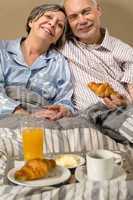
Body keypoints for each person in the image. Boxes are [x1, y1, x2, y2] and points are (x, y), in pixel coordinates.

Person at [0, 4, 75, 120]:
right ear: (31, 22)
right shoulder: (2, 49)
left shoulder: (60, 62)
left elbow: (65, 99)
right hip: (6, 116)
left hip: (45, 120)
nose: (53, 24)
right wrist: (23, 114)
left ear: (58, 38)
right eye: (48, 17)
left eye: (60, 25)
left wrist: (64, 109)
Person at [61, 0, 133, 111]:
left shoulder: (124, 51)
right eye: (73, 17)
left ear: (98, 10)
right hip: (85, 119)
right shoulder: (62, 46)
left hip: (124, 114)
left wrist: (126, 103)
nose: (82, 21)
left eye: (86, 12)